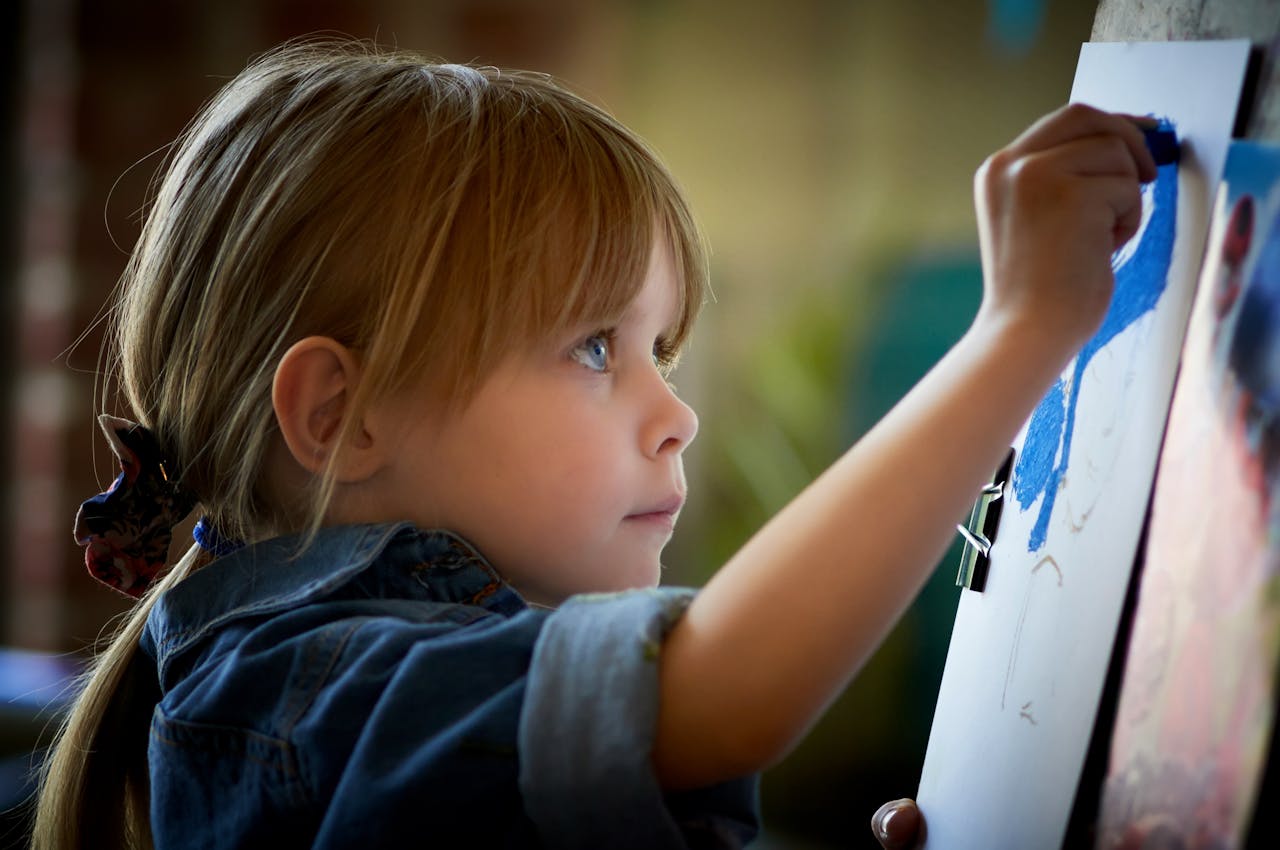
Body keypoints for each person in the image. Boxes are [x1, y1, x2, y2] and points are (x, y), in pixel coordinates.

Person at [30, 40, 1158, 849]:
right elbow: (729, 689)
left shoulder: (370, 658)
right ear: (340, 417)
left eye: (658, 347)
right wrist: (1016, 333)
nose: (676, 414)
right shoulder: (308, 683)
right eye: (590, 348)